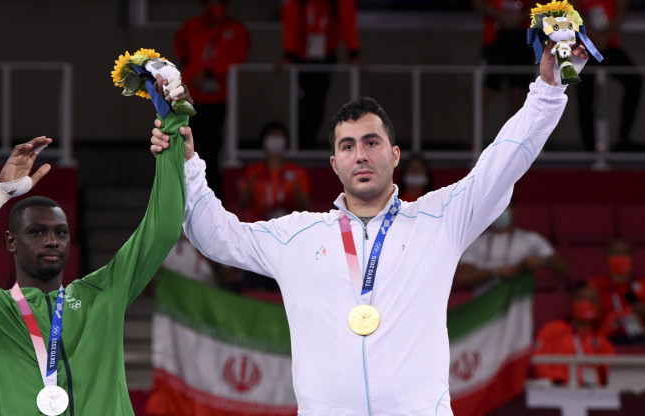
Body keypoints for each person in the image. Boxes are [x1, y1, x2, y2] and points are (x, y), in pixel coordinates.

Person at [150, 42, 587, 415]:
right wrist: (186, 164)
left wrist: (548, 89)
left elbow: (504, 160)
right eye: (348, 146)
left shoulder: (440, 220)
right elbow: (216, 236)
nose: (360, 155)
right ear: (334, 163)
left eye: (371, 142)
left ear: (394, 155)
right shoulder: (297, 236)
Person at [0, 79, 188, 415]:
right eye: (37, 232)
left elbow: (163, 228)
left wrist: (173, 129)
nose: (52, 240)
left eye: (60, 233)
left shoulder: (103, 293)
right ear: (11, 241)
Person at [174, 0, 250, 193]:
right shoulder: (192, 26)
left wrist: (209, 71)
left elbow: (236, 61)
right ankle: (186, 194)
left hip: (218, 99)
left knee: (212, 150)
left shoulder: (236, 30)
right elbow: (181, 48)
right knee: (188, 147)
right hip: (190, 97)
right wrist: (192, 71)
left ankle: (212, 194)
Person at [280, 0, 360, 149]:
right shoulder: (298, 4)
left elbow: (348, 19)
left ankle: (308, 143)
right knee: (302, 102)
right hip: (301, 55)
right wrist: (288, 54)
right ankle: (300, 143)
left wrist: (354, 53)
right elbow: (290, 22)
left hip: (325, 54)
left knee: (318, 100)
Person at [453, 197, 570, 296]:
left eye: (504, 207)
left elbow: (564, 269)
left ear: (514, 210)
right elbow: (462, 278)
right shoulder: (476, 243)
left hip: (518, 309)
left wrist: (544, 260)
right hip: (486, 309)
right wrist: (496, 272)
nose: (500, 212)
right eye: (495, 208)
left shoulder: (531, 239)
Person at [571, 0, 643, 151]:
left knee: (634, 81)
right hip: (583, 46)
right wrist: (593, 37)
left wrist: (605, 37)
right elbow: (573, 11)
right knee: (586, 95)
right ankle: (589, 146)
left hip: (610, 45)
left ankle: (623, 138)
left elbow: (621, 9)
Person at [533, 285, 616, 387]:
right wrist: (557, 382)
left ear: (599, 307)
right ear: (572, 303)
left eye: (592, 300)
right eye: (581, 298)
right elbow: (540, 364)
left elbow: (614, 375)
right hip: (557, 389)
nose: (586, 303)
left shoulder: (602, 342)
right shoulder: (551, 330)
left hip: (591, 392)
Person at [473, 0, 538, 124]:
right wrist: (501, 16)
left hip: (523, 36)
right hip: (494, 37)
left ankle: (511, 137)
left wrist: (519, 17)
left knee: (518, 95)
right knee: (483, 95)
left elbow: (540, 3)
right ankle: (476, 137)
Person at [238, 121, 311, 222]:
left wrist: (294, 195)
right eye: (271, 135)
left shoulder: (297, 172)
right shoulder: (252, 171)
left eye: (279, 136)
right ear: (264, 140)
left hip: (288, 225)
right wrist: (251, 185)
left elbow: (305, 206)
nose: (276, 140)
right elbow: (242, 203)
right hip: (258, 224)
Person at [587, 238, 645, 343]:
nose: (620, 257)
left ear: (632, 257)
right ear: (607, 257)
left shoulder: (642, 284)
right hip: (605, 340)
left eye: (625, 253)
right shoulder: (595, 286)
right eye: (615, 253)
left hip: (639, 340)